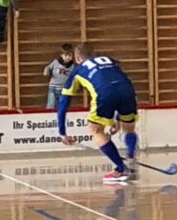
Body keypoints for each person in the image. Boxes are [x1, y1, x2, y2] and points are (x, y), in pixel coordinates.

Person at [57, 43, 140, 184]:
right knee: (129, 128)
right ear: (93, 54)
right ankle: (131, 157)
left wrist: (62, 132)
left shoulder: (78, 71)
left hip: (104, 94)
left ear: (77, 58)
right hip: (128, 90)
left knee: (96, 130)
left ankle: (122, 169)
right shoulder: (109, 60)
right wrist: (117, 119)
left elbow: (63, 102)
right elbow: (116, 82)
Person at [43, 43, 75, 109]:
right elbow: (48, 68)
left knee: (62, 107)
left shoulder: (72, 66)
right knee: (50, 105)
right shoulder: (56, 62)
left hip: (64, 89)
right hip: (53, 87)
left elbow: (73, 78)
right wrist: (46, 71)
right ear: (61, 55)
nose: (68, 57)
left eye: (70, 55)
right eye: (66, 55)